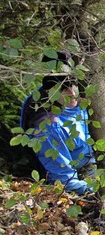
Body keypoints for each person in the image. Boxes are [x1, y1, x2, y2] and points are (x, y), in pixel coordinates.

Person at [20, 50, 95, 195]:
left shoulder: (80, 99)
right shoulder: (47, 127)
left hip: (93, 164)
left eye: (73, 84)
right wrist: (97, 190)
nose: (72, 93)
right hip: (77, 180)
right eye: (63, 88)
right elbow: (64, 181)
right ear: (50, 90)